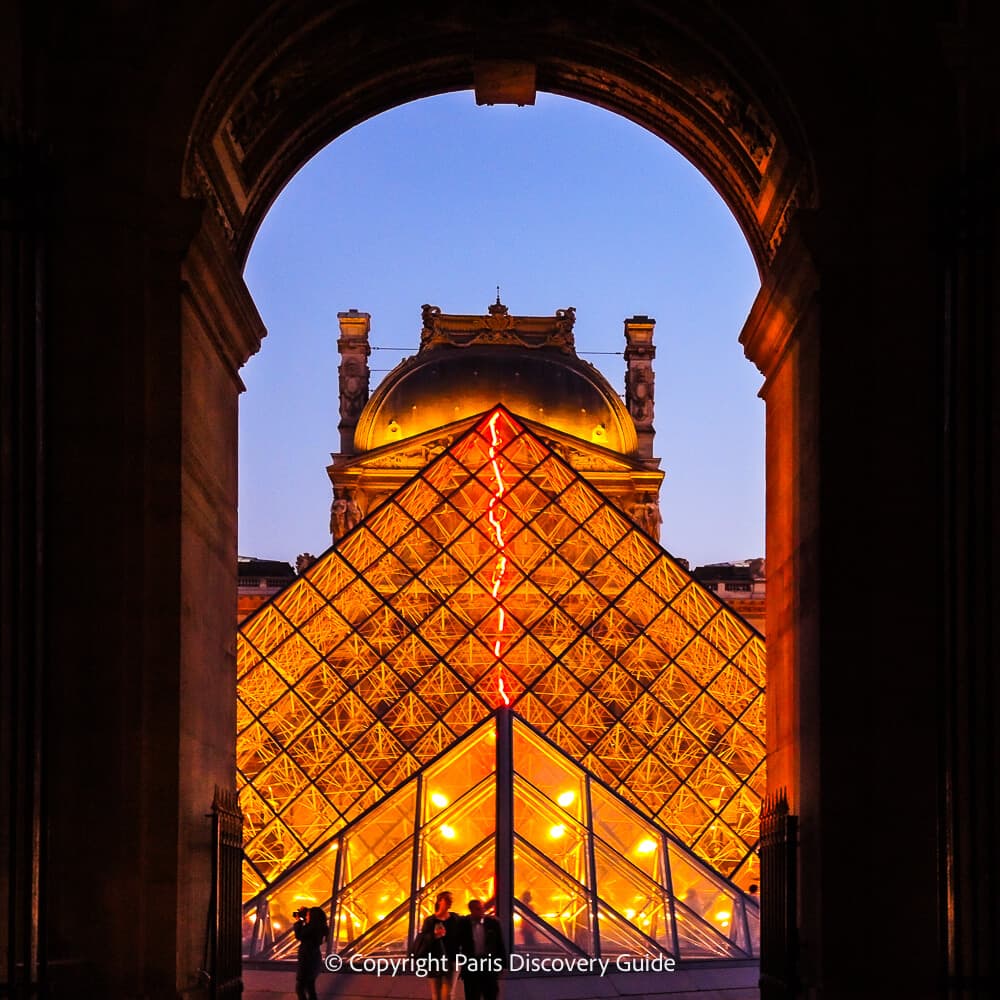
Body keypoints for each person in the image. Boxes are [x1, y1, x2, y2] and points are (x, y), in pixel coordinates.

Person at [414, 891, 460, 1000]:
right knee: (436, 994)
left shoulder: (455, 918)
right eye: (447, 899)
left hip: (452, 959)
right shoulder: (430, 921)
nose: (450, 902)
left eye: (451, 900)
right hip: (434, 960)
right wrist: (434, 935)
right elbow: (423, 939)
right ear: (439, 901)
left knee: (448, 994)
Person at [457, 899, 507, 1000]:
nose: (482, 912)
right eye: (478, 909)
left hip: (488, 965)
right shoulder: (463, 924)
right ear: (471, 910)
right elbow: (457, 942)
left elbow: (500, 944)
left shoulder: (493, 923)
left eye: (482, 909)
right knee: (472, 994)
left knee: (491, 994)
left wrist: (503, 965)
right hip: (472, 966)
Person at [293, 906, 328, 1000]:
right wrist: (305, 913)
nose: (306, 917)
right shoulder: (319, 927)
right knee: (310, 987)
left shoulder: (311, 928)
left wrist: (298, 922)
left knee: (300, 988)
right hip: (313, 958)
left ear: (313, 917)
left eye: (308, 915)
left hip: (307, 959)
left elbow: (299, 935)